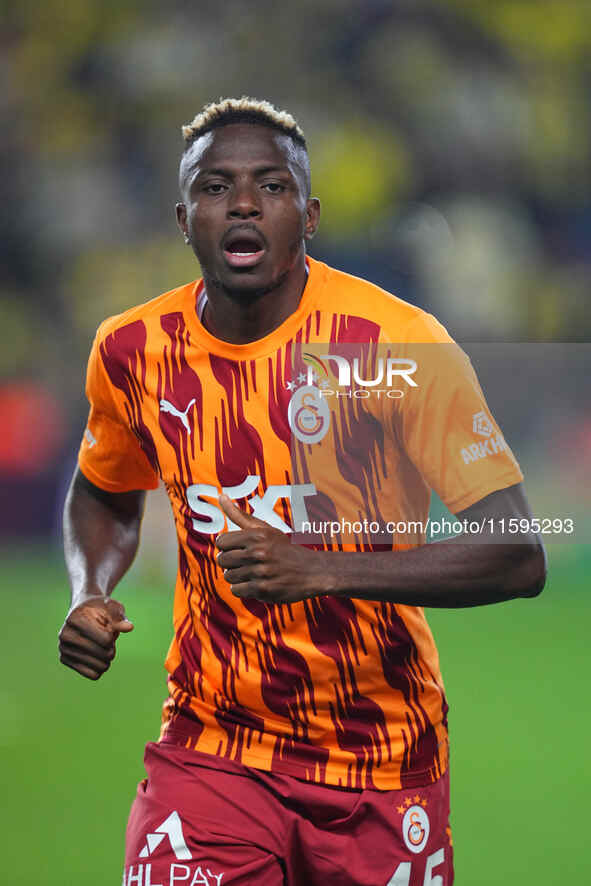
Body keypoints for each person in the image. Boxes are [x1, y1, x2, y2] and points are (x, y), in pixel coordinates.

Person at [59, 97, 546, 886]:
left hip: (381, 757)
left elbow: (517, 554)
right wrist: (89, 590)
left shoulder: (397, 345)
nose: (244, 203)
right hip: (212, 749)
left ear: (309, 215)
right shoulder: (131, 349)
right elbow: (105, 489)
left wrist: (321, 569)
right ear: (182, 218)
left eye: (271, 187)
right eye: (215, 188)